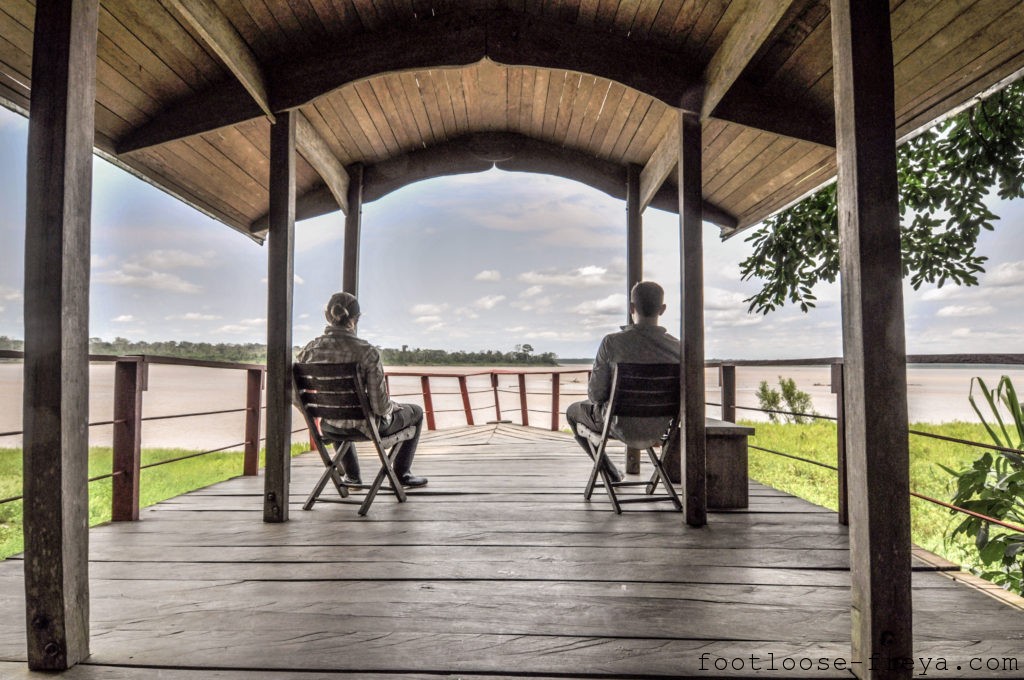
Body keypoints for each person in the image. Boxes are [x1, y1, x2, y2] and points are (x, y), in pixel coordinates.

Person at [296, 291, 428, 488]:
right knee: (416, 412)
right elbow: (381, 408)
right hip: (367, 428)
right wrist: (393, 407)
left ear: (327, 316)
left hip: (329, 427)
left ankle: (353, 477)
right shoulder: (366, 352)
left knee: (338, 415)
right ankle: (402, 474)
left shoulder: (308, 351)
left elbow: (293, 393)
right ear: (355, 319)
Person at [565, 281, 681, 481]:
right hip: (661, 428)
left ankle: (610, 475)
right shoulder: (678, 348)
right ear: (662, 310)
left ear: (631, 308)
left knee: (572, 412)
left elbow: (596, 395)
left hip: (617, 425)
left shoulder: (612, 343)